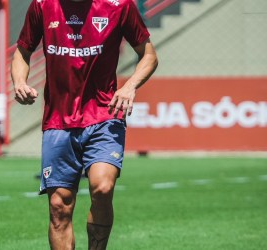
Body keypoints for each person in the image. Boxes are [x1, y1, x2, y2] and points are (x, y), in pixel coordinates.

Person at [12, 0, 158, 249]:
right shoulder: (42, 5)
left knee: (102, 187)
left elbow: (149, 55)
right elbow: (22, 52)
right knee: (59, 206)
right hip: (58, 121)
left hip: (104, 116)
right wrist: (19, 82)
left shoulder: (119, 5)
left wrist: (130, 86)